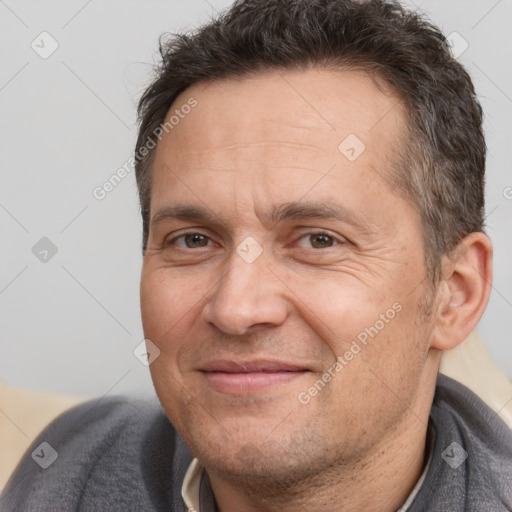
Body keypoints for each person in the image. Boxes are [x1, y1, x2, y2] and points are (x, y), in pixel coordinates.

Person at [2, 0, 511, 510]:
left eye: (317, 240)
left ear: (455, 295)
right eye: (193, 240)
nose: (235, 309)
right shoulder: (69, 468)